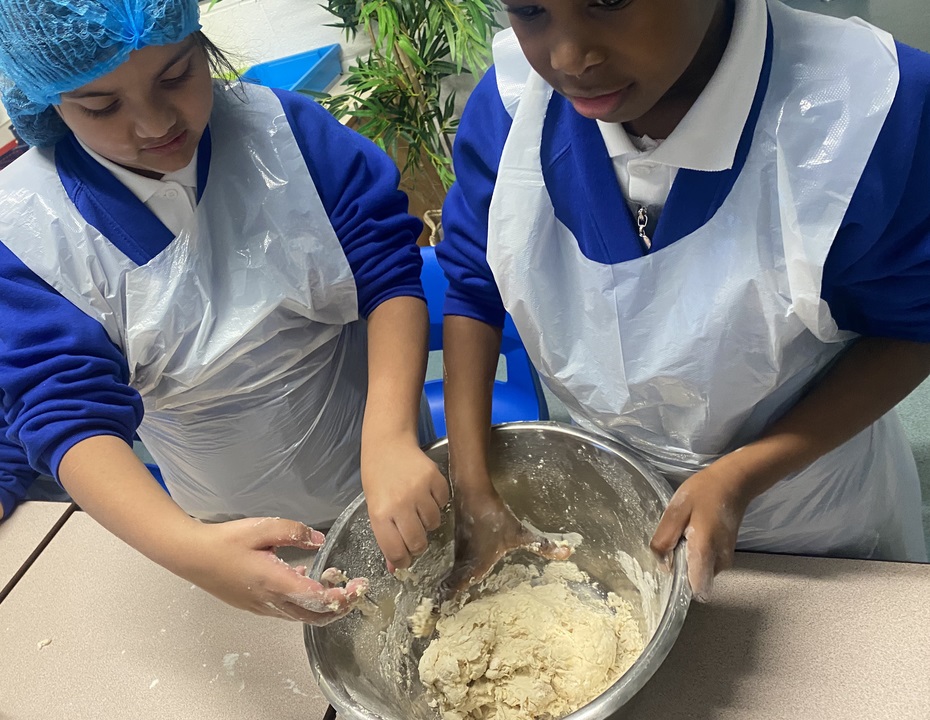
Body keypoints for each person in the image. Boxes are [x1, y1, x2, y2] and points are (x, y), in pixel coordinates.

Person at [423, 0, 930, 602]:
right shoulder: (509, 110)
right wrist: (475, 488)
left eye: (608, 1)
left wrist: (743, 474)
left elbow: (913, 327)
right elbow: (474, 284)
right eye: (529, 10)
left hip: (807, 507)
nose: (567, 59)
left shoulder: (871, 112)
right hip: (618, 495)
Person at [0, 0, 450, 621]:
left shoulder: (289, 135)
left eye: (177, 75)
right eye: (102, 107)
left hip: (384, 455)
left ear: (199, 42)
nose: (155, 123)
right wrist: (192, 552)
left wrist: (391, 434)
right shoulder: (29, 234)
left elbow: (388, 274)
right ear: (47, 99)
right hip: (227, 526)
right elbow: (66, 413)